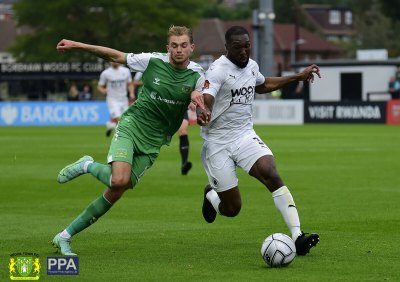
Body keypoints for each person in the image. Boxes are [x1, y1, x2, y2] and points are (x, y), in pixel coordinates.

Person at [52, 25, 206, 256]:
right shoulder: (152, 61)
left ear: (192, 48)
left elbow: (200, 95)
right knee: (118, 180)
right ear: (168, 48)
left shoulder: (197, 74)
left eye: (184, 45)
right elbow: (115, 55)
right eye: (174, 46)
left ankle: (64, 236)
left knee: (119, 189)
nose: (178, 50)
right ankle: (86, 165)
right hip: (132, 127)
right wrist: (78, 45)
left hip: (155, 142)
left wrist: (200, 104)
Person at [197, 26, 321, 256]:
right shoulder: (217, 70)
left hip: (244, 135)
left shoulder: (252, 66)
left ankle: (298, 236)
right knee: (232, 209)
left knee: (270, 172)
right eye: (237, 47)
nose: (243, 51)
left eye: (247, 46)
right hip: (218, 143)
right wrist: (203, 111)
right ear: (227, 47)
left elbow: (262, 85)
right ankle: (211, 195)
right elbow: (207, 97)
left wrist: (298, 76)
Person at [133, 71, 192, 175]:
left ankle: (184, 164)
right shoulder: (158, 69)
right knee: (150, 134)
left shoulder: (189, 72)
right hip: (164, 107)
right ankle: (136, 159)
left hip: (180, 108)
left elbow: (192, 88)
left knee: (183, 131)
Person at [98, 62, 135, 136]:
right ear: (110, 61)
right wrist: (104, 90)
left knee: (125, 119)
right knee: (119, 118)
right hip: (112, 99)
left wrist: (131, 93)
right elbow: (99, 86)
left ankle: (111, 125)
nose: (114, 62)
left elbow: (130, 83)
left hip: (123, 99)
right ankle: (122, 136)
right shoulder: (105, 73)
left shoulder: (126, 71)